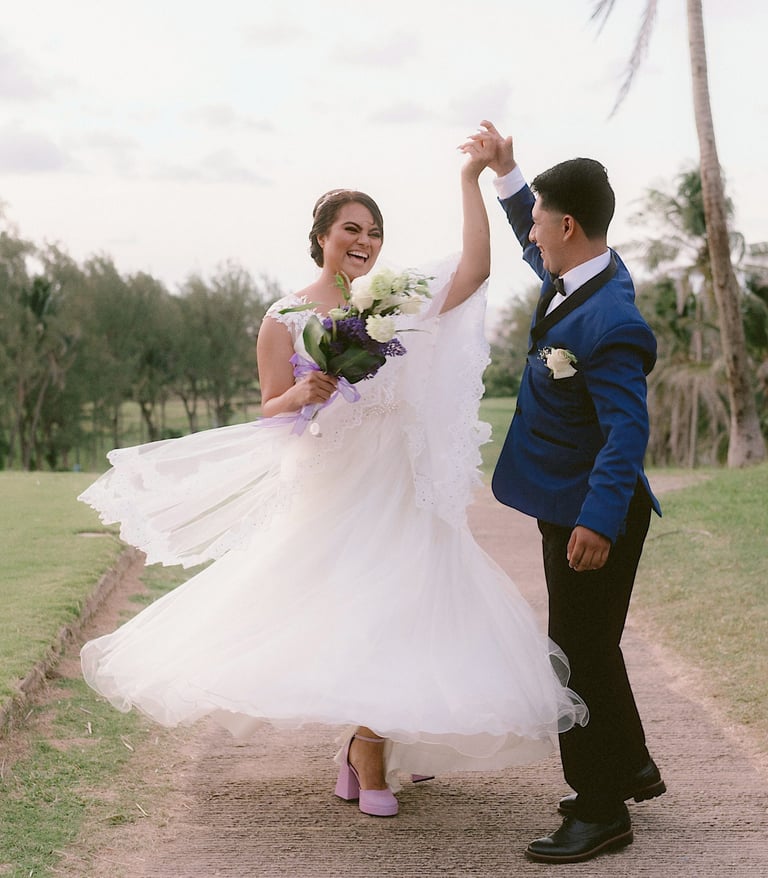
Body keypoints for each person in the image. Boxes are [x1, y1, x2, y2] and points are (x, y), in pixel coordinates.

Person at [78, 132, 586, 821]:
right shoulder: (284, 317)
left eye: (374, 232)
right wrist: (303, 392)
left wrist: (471, 177)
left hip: (399, 483)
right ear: (321, 236)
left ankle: (370, 748)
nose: (365, 241)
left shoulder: (396, 297)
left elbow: (474, 268)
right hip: (331, 485)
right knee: (345, 615)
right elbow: (268, 407)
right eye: (352, 229)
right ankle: (361, 747)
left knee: (404, 612)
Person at [470, 120, 666, 862]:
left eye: (543, 223)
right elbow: (534, 237)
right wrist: (511, 176)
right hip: (574, 505)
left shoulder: (610, 318)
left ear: (571, 225)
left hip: (593, 515)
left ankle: (598, 808)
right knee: (594, 644)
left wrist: (597, 521)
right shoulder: (584, 273)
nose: (535, 238)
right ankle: (631, 764)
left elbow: (626, 432)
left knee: (574, 657)